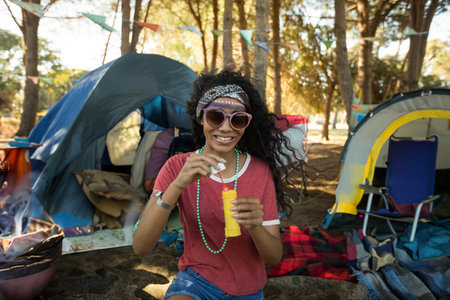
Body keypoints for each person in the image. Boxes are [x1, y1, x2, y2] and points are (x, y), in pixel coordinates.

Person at [133, 70, 296, 299]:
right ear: (201, 118)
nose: (227, 128)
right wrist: (178, 185)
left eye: (238, 119)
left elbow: (273, 257)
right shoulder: (177, 166)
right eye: (215, 117)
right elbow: (141, 246)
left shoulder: (259, 171)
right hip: (197, 281)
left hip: (248, 289)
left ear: (246, 124)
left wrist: (256, 226)